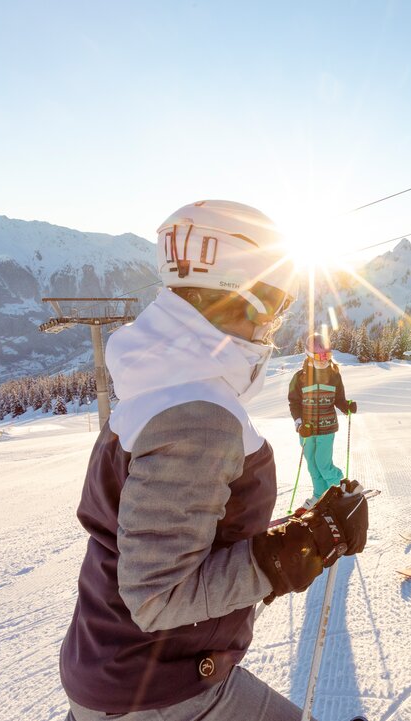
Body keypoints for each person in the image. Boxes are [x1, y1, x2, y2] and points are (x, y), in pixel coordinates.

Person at [59, 200, 369, 721]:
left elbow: (186, 527)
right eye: (273, 304)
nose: (272, 325)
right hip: (159, 691)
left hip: (118, 672)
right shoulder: (197, 413)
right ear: (241, 295)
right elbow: (158, 595)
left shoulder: (159, 381)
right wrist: (305, 545)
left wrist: (302, 529)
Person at [288, 331, 357, 505]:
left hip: (327, 428)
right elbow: (294, 403)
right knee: (312, 465)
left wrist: (346, 406)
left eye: (327, 355)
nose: (324, 359)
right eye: (319, 355)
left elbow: (339, 399)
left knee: (323, 464)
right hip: (307, 430)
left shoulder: (333, 375)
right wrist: (299, 423)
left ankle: (342, 491)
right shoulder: (300, 378)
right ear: (309, 355)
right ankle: (320, 495)